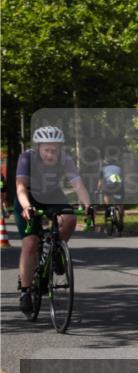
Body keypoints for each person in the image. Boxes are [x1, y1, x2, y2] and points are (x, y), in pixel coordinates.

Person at [14, 126, 92, 316]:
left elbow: (77, 184)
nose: (50, 154)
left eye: (54, 150)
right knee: (31, 242)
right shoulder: (27, 158)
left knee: (70, 218)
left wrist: (88, 205)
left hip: (51, 195)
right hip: (28, 198)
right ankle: (25, 291)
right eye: (47, 150)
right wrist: (26, 207)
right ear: (38, 148)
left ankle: (56, 249)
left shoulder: (65, 159)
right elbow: (21, 187)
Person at [96, 157, 126, 228]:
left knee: (106, 196)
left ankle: (109, 208)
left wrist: (98, 190)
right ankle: (121, 220)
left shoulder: (102, 170)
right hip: (119, 187)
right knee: (120, 204)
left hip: (108, 187)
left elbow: (100, 183)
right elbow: (123, 179)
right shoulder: (119, 168)